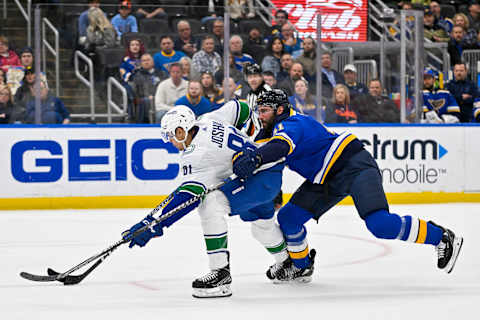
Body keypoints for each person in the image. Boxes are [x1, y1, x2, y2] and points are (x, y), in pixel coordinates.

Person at [231, 89, 464, 282]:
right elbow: (261, 149)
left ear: (279, 110)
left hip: (354, 165)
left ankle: (441, 236)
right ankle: (301, 266)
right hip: (325, 179)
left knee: (380, 224)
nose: (260, 116)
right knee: (289, 219)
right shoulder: (271, 129)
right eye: (258, 111)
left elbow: (278, 148)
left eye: (264, 111)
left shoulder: (292, 123)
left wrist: (256, 158)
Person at [121, 105, 287, 298]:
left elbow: (188, 197)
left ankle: (220, 273)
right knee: (262, 227)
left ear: (181, 131)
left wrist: (153, 225)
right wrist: (251, 137)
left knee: (210, 204)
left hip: (257, 183)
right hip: (268, 174)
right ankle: (287, 262)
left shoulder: (196, 156)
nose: (171, 142)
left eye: (171, 136)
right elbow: (239, 108)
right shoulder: (209, 119)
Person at [131, 53, 167, 123]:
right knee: (145, 102)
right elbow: (135, 93)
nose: (146, 62)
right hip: (145, 101)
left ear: (153, 62)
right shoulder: (137, 76)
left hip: (161, 100)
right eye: (144, 61)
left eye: (148, 60)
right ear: (141, 63)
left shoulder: (162, 74)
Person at [241, 63, 271, 137]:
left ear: (261, 77)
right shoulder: (250, 95)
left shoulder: (268, 92)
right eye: (250, 77)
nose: (253, 79)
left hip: (269, 134)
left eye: (255, 76)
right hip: (258, 134)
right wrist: (244, 134)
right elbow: (250, 118)